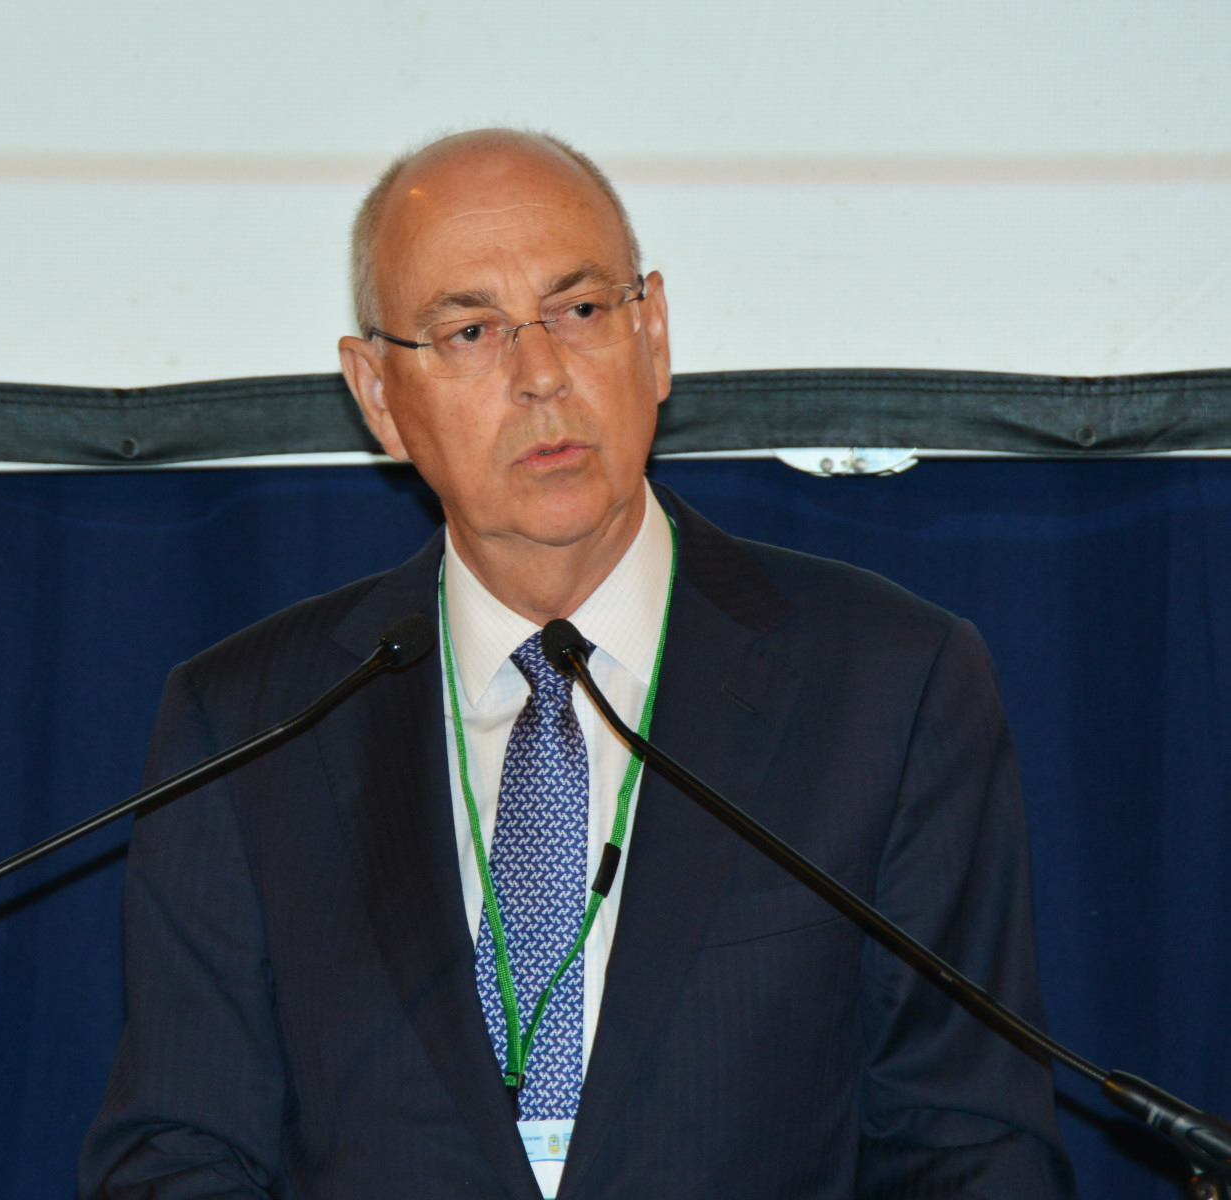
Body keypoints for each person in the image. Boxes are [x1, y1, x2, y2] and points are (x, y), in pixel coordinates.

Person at [80, 129, 1073, 1198]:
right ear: (378, 395)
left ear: (653, 334)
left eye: (582, 310)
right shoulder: (250, 727)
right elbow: (178, 1156)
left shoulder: (887, 687)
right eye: (470, 331)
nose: (542, 375)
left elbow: (968, 1148)